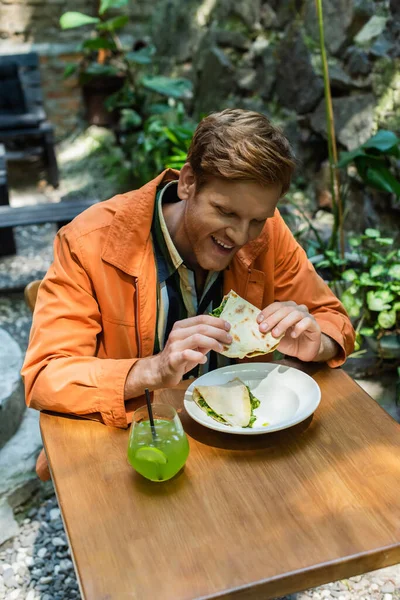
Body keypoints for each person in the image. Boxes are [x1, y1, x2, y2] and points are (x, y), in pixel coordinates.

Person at [21, 109, 355, 480]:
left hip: (244, 450)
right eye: (225, 211)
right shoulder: (88, 242)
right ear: (188, 182)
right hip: (135, 450)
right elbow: (46, 376)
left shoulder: (268, 233)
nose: (242, 236)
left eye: (257, 219)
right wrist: (155, 368)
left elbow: (332, 319)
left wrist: (316, 344)